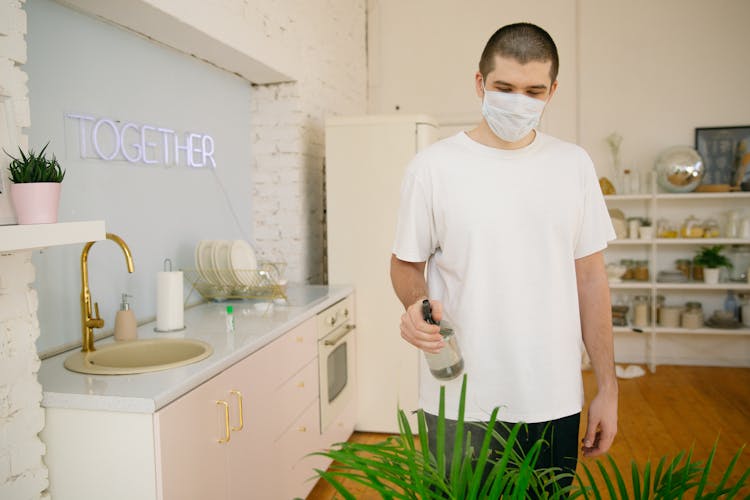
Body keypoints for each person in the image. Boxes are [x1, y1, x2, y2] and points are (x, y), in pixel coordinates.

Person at [389, 22, 618, 494]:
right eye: (504, 88)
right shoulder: (433, 168)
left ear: (553, 90)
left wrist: (608, 389)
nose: (519, 101)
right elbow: (406, 264)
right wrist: (415, 305)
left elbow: (592, 280)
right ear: (480, 83)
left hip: (552, 397)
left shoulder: (573, 165)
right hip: (461, 399)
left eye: (534, 91)